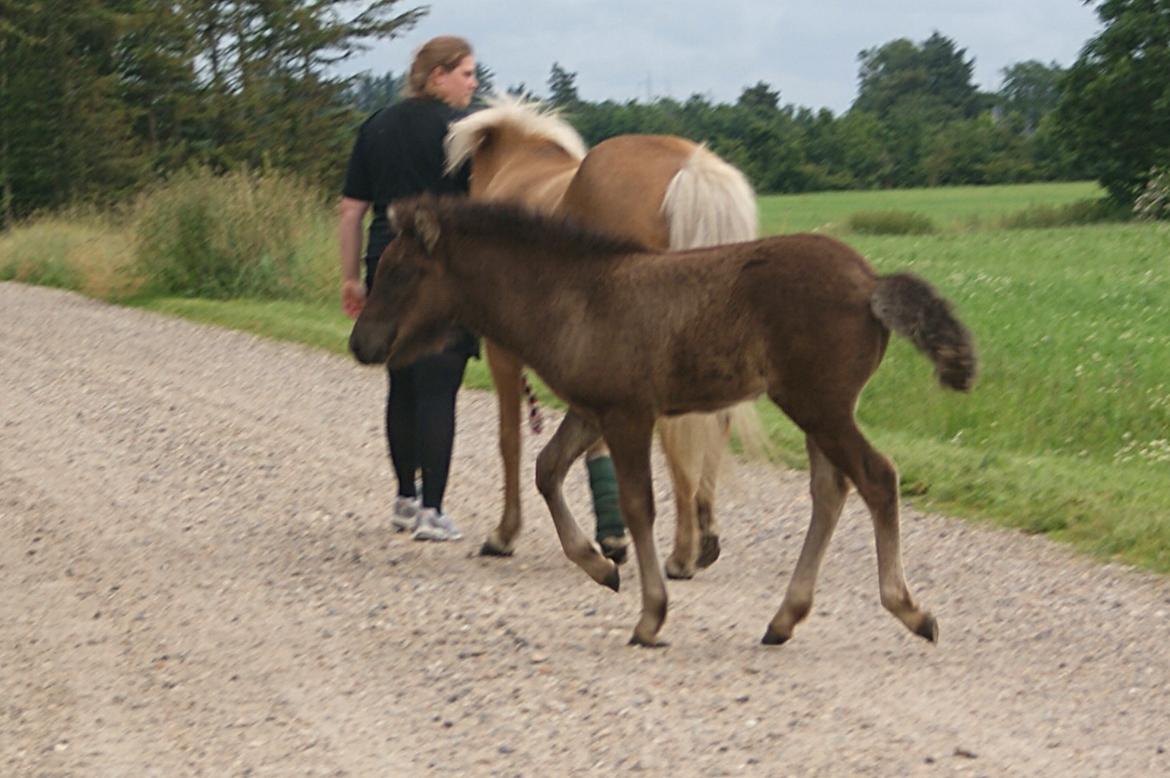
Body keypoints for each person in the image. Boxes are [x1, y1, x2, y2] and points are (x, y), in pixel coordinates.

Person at [339, 36, 479, 541]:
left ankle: (404, 498)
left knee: (402, 381)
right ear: (437, 75)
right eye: (466, 73)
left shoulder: (376, 124)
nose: (474, 83)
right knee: (439, 386)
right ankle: (433, 512)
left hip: (386, 263)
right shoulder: (462, 133)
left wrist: (352, 277)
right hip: (441, 271)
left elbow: (351, 210)